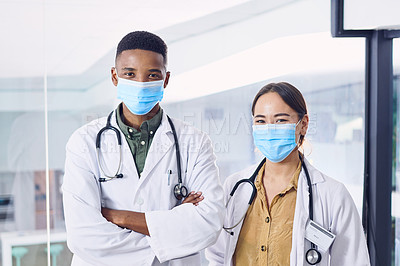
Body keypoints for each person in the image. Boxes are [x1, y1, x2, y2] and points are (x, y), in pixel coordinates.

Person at [62, 31, 224, 266]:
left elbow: (208, 225)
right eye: (130, 74)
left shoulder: (195, 142)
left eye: (152, 75)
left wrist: (119, 217)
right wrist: (171, 228)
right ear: (114, 77)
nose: (141, 83)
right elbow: (83, 237)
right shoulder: (83, 142)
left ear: (165, 79)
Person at [205, 82, 370, 265]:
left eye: (280, 120)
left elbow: (354, 261)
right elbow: (218, 256)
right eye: (261, 121)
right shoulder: (235, 186)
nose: (269, 128)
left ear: (303, 125)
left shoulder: (332, 195)